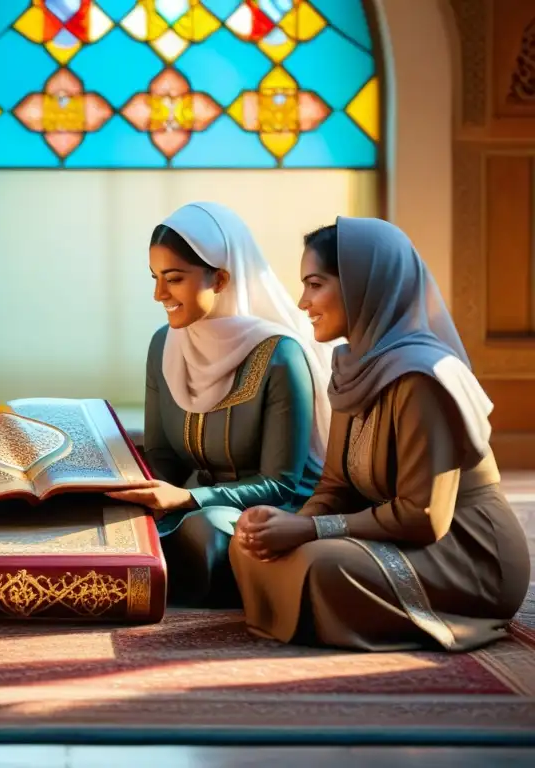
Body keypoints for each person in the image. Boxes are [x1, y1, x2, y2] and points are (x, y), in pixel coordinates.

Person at [230, 217, 531, 651]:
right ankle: (316, 613)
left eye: (315, 285)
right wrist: (292, 523)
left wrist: (311, 532)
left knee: (320, 564)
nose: (302, 302)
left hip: (466, 554)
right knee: (248, 548)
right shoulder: (355, 366)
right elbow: (335, 484)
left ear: (362, 284)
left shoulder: (423, 377)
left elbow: (424, 516)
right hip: (397, 535)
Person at [108, 202, 333, 606]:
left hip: (278, 508)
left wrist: (188, 499)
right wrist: (137, 495)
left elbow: (281, 482)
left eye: (173, 279)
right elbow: (162, 456)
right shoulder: (164, 344)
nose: (159, 294)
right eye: (155, 278)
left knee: (204, 531)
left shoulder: (280, 354)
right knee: (118, 526)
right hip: (192, 503)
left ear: (222, 278)